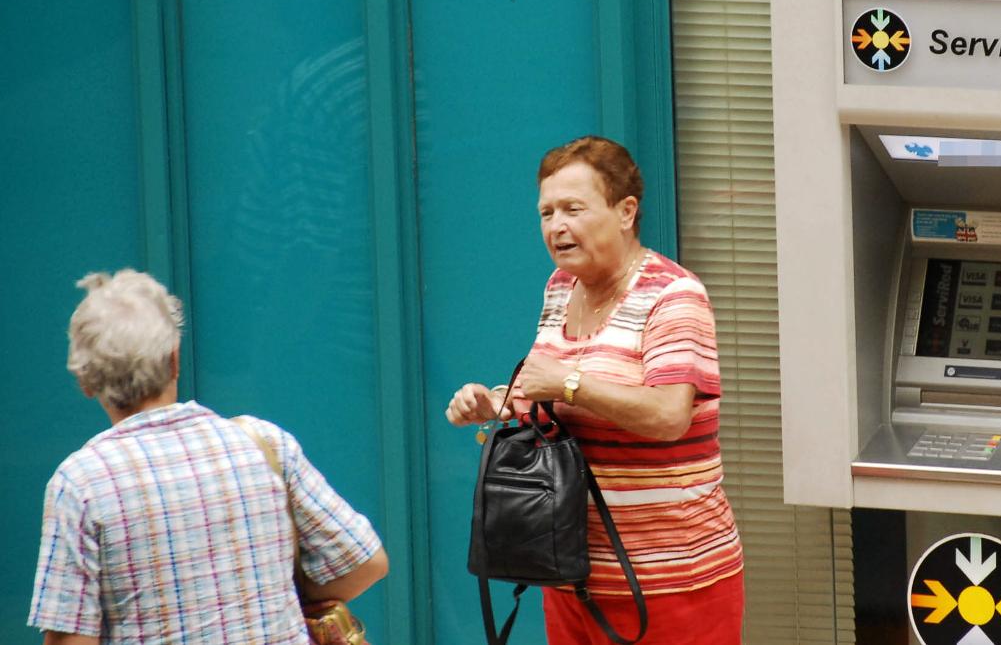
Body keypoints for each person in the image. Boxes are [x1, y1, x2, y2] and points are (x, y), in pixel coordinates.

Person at [446, 136, 745, 644]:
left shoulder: (674, 296)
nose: (556, 226)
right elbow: (554, 397)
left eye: (573, 209)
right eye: (546, 212)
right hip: (570, 570)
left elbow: (669, 415)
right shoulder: (561, 287)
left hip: (669, 579)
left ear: (626, 211)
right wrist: (499, 402)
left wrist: (568, 383)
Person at [28, 270, 388, 645]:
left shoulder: (80, 484)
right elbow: (365, 563)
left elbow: (71, 641)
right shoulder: (263, 445)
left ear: (86, 380)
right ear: (174, 359)